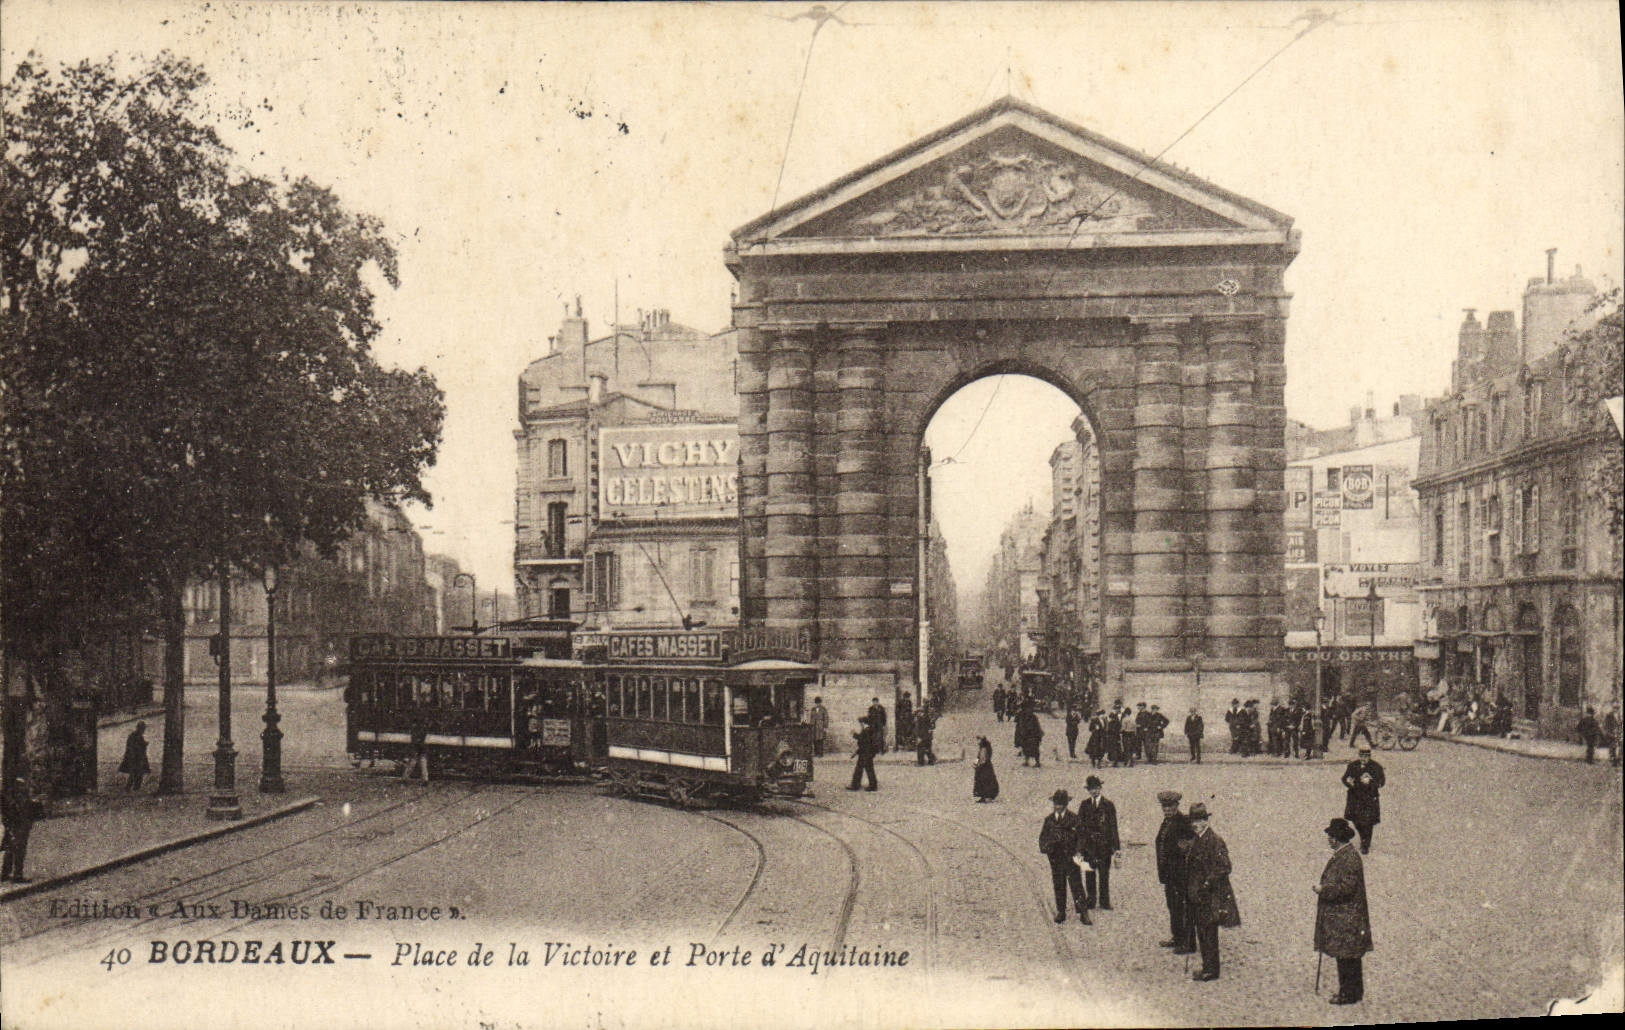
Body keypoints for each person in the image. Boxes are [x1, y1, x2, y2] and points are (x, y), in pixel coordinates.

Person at [1315, 817, 1373, 1005]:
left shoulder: (1348, 858)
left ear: (1336, 838)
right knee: (1349, 956)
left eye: (1330, 836)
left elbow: (1347, 888)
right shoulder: (1345, 854)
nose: (1328, 839)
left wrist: (1324, 890)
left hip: (1346, 916)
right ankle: (1354, 992)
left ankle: (1348, 994)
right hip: (1346, 915)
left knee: (1346, 956)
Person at [1185, 802, 1240, 981]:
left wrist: (1208, 882)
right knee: (1202, 930)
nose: (1195, 824)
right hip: (1199, 894)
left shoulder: (1214, 840)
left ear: (1206, 821)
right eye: (1193, 820)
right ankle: (1207, 966)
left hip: (1210, 896)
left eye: (1199, 820)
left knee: (1209, 932)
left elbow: (1225, 867)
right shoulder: (1198, 839)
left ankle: (1211, 970)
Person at [1154, 790, 1196, 954]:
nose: (1167, 810)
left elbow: (1191, 845)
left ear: (1177, 806)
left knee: (1184, 908)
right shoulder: (1166, 822)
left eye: (1170, 807)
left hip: (1180, 874)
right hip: (1169, 874)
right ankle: (1177, 937)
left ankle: (1188, 942)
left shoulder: (1183, 822)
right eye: (1165, 807)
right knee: (1173, 906)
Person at [1039, 789, 1089, 924]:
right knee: (1059, 884)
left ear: (1066, 805)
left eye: (1060, 804)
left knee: (1076, 884)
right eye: (1056, 804)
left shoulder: (1074, 819)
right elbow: (1043, 837)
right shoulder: (1049, 820)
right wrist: (1046, 848)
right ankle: (1061, 911)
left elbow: (1081, 837)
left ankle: (1083, 912)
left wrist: (1079, 851)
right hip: (1056, 858)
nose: (1057, 806)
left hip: (1071, 857)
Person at [1077, 774, 1120, 911]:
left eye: (1095, 788)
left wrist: (1116, 847)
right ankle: (1091, 900)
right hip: (1089, 846)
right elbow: (1080, 827)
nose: (1093, 791)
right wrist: (1080, 847)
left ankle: (1104, 901)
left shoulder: (1108, 805)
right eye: (1091, 789)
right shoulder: (1084, 805)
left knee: (1104, 874)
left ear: (1100, 788)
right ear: (1088, 790)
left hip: (1104, 845)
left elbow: (1113, 826)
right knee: (1089, 873)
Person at [1341, 746, 1385, 853]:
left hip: (1369, 798)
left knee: (1368, 822)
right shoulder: (1353, 765)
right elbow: (1344, 778)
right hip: (1355, 797)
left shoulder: (1376, 767)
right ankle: (1363, 837)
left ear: (1369, 756)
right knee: (1357, 821)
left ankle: (1365, 844)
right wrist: (1349, 784)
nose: (1363, 758)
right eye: (1361, 756)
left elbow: (1382, 782)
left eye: (1366, 756)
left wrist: (1371, 782)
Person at [1, 777, 44, 884]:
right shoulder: (14, 796)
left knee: (10, 848)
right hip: (17, 824)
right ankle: (17, 875)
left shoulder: (10, 794)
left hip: (15, 824)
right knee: (18, 849)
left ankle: (6, 873)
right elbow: (16, 809)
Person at [848, 716, 879, 791]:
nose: (860, 725)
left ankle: (857, 785)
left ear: (864, 723)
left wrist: (854, 734)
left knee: (862, 769)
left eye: (861, 723)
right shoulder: (868, 730)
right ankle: (871, 785)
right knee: (866, 769)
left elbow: (863, 741)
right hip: (866, 753)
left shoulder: (867, 731)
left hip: (866, 753)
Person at [119, 721, 152, 792]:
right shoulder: (134, 736)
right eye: (143, 729)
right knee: (135, 773)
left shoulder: (137, 736)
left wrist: (144, 744)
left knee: (138, 773)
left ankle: (135, 788)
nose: (143, 731)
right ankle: (130, 788)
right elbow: (132, 747)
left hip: (139, 758)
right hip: (135, 758)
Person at [401, 718, 430, 783]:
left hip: (417, 746)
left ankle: (405, 778)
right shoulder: (424, 729)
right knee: (423, 762)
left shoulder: (414, 730)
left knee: (413, 762)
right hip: (422, 746)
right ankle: (425, 779)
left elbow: (414, 739)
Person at [973, 735, 999, 801]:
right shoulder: (983, 748)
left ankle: (985, 796)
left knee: (985, 781)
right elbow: (979, 757)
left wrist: (978, 765)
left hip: (984, 768)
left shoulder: (984, 748)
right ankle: (984, 796)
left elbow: (983, 759)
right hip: (984, 767)